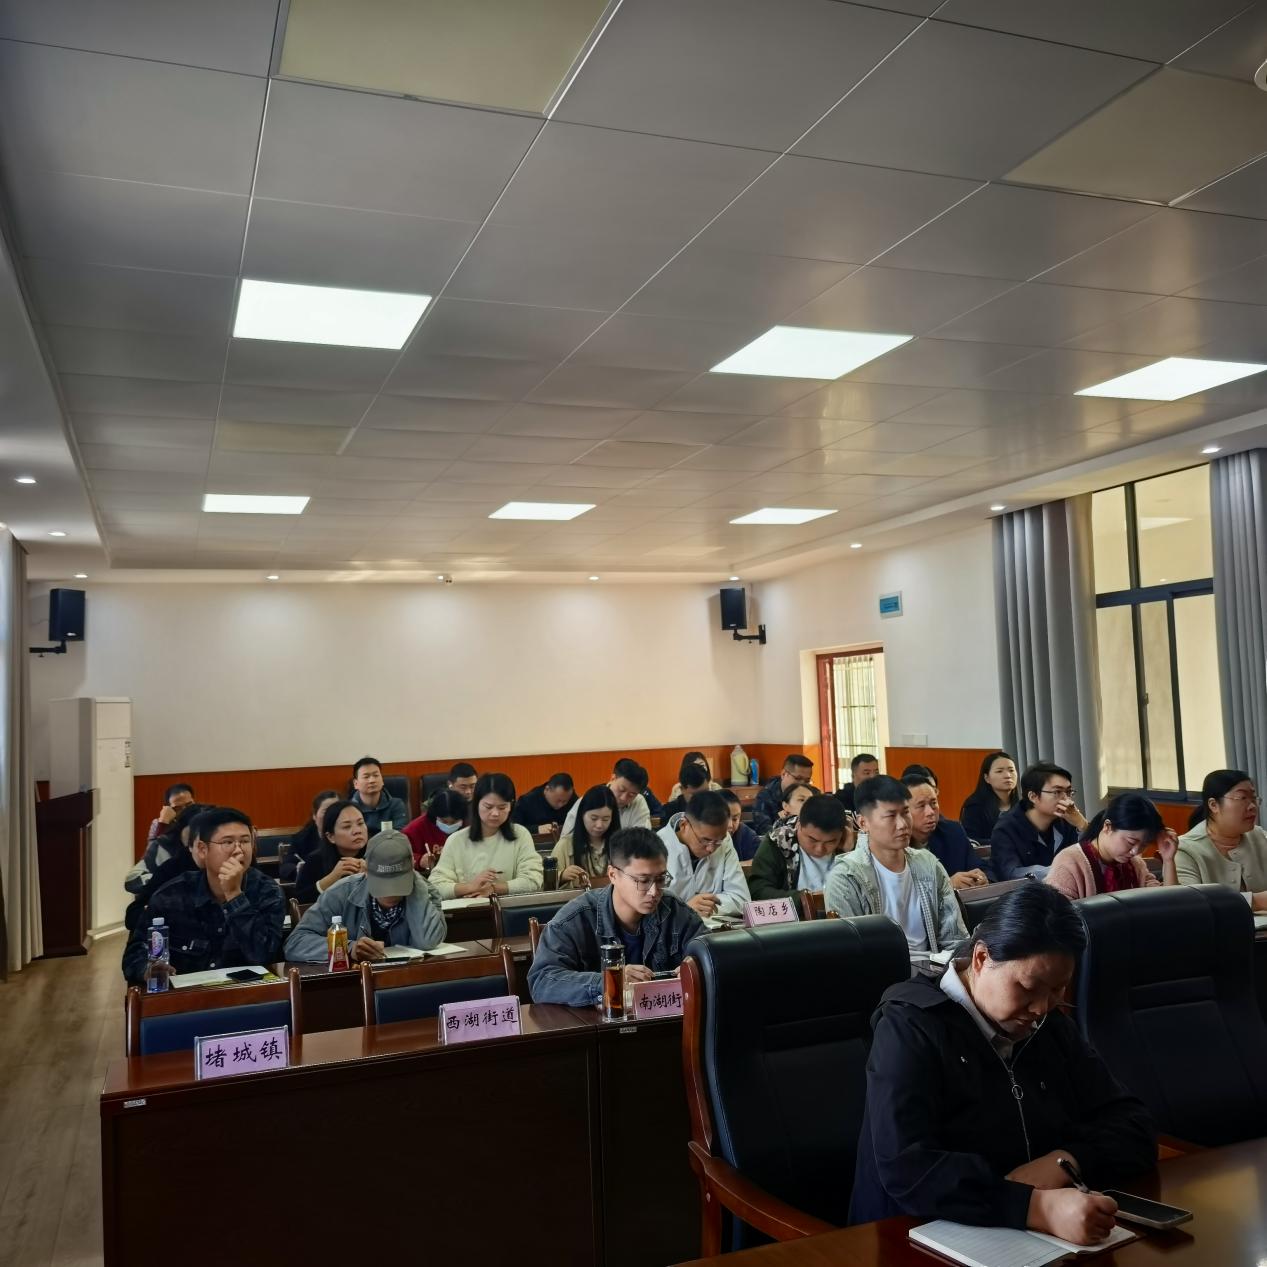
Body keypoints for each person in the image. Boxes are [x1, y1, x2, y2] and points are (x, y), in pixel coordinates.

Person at [850, 884, 1156, 1242]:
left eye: (1057, 990)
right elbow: (908, 1168)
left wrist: (1066, 1160)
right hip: (911, 1236)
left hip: (1030, 1234)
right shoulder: (911, 1026)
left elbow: (1133, 1125)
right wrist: (1035, 1207)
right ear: (981, 959)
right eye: (1027, 987)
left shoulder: (1049, 1026)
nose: (1041, 1008)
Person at [527, 827, 704, 1007]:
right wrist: (609, 981)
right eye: (643, 881)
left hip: (663, 1020)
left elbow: (711, 958)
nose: (654, 891)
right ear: (613, 875)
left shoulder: (676, 912)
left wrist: (696, 971)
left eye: (660, 879)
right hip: (594, 1023)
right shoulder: (575, 918)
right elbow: (542, 981)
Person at [122, 807, 285, 984]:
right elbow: (134, 955)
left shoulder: (267, 891)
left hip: (246, 994)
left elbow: (264, 955)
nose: (239, 850)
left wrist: (234, 895)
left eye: (245, 841)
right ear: (202, 849)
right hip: (185, 995)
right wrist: (149, 969)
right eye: (228, 842)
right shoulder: (171, 895)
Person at [825, 776, 965, 964]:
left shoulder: (928, 864)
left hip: (936, 969)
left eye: (905, 813)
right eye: (891, 816)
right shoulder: (846, 877)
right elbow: (849, 956)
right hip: (883, 975)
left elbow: (955, 939)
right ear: (863, 823)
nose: (902, 824)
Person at [286, 829, 447, 963]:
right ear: (366, 870)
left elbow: (427, 941)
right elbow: (295, 943)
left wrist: (417, 884)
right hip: (354, 982)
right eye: (383, 883)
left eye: (398, 882)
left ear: (412, 867)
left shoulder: (426, 892)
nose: (391, 892)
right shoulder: (341, 893)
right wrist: (348, 948)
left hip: (406, 980)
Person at [430, 772, 543, 899]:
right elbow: (435, 886)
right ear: (476, 804)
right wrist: (471, 887)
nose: (495, 813)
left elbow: (534, 880)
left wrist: (494, 889)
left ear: (511, 806)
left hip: (508, 909)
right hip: (467, 909)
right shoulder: (456, 840)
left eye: (502, 807)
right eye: (488, 807)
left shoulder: (520, 834)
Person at [1047, 793, 1178, 899]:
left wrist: (1168, 860)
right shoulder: (1070, 862)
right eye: (1131, 842)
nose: (1135, 851)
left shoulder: (1135, 865)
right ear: (1107, 826)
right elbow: (1058, 916)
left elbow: (1166, 905)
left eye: (1144, 845)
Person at [1177, 769, 1267, 909]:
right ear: (1213, 805)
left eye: (1253, 798)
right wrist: (1255, 901)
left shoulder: (1260, 837)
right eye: (1242, 798)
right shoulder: (1185, 849)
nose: (1252, 806)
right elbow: (1189, 904)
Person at [658, 790, 750, 920]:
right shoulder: (657, 847)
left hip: (715, 927)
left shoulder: (724, 841)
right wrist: (684, 909)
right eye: (705, 840)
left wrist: (703, 906)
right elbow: (650, 908)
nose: (711, 849)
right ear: (684, 825)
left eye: (717, 842)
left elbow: (741, 899)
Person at [122, 801, 212, 928]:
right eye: (194, 833)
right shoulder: (170, 861)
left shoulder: (227, 865)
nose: (200, 841)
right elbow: (133, 913)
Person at [990, 762, 1085, 881]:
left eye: (1069, 792)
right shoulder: (1006, 828)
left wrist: (1082, 825)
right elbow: (1012, 873)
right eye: (1057, 792)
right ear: (1033, 796)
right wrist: (1062, 870)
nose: (1067, 800)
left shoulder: (1067, 819)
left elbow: (1090, 856)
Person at [748, 793, 848, 900]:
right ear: (798, 825)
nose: (819, 849)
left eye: (830, 842)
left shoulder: (850, 845)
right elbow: (758, 890)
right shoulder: (778, 842)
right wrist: (806, 900)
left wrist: (850, 852)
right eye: (813, 840)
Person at [905, 773, 990, 890]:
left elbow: (979, 867)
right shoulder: (896, 844)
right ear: (904, 811)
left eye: (933, 803)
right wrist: (948, 885)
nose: (930, 812)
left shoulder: (953, 832)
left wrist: (981, 877)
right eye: (921, 806)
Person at [125, 799, 210, 896]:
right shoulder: (164, 846)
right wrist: (161, 880)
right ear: (182, 827)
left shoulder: (212, 848)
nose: (198, 838)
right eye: (193, 831)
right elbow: (131, 880)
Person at [294, 800, 368, 905]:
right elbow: (300, 901)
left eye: (360, 823)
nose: (357, 831)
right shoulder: (316, 860)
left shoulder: (378, 855)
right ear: (330, 836)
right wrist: (332, 878)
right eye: (347, 826)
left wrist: (371, 877)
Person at [559, 758, 652, 837]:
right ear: (613, 778)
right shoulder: (588, 800)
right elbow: (566, 839)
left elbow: (642, 839)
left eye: (631, 795)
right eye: (621, 789)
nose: (623, 798)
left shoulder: (639, 802)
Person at [551, 784, 620, 888]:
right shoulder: (564, 845)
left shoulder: (622, 845)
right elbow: (545, 886)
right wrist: (561, 876)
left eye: (606, 819)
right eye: (594, 818)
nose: (599, 825)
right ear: (582, 815)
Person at [281, 789, 341, 884]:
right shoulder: (302, 838)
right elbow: (286, 867)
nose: (331, 815)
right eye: (326, 811)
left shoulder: (349, 836)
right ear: (314, 815)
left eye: (336, 811)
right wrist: (299, 870)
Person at [960, 751, 1020, 844]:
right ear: (987, 778)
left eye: (1011, 770)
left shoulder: (1025, 805)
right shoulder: (974, 806)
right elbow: (971, 841)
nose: (1008, 775)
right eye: (999, 771)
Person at [402, 788, 468, 872]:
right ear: (435, 815)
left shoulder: (470, 825)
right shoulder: (414, 829)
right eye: (444, 821)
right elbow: (401, 856)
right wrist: (419, 860)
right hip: (428, 875)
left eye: (454, 822)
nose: (449, 825)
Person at [347, 755, 408, 836]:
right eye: (366, 777)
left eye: (376, 775)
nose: (372, 780)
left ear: (382, 780)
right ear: (355, 783)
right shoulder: (349, 809)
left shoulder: (396, 804)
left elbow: (400, 835)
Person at [753, 753, 814, 829]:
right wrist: (783, 823)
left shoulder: (813, 793)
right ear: (783, 774)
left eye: (807, 781)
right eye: (798, 778)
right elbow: (763, 830)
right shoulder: (765, 796)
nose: (802, 784)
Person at [513, 772, 577, 838]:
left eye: (565, 801)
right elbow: (514, 829)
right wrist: (536, 829)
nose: (561, 805)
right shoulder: (526, 801)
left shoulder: (572, 799)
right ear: (547, 789)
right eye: (558, 800)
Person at [720, 789, 761, 862]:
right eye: (724, 818)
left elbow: (758, 862)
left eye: (735, 819)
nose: (730, 825)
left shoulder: (748, 836)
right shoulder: (704, 837)